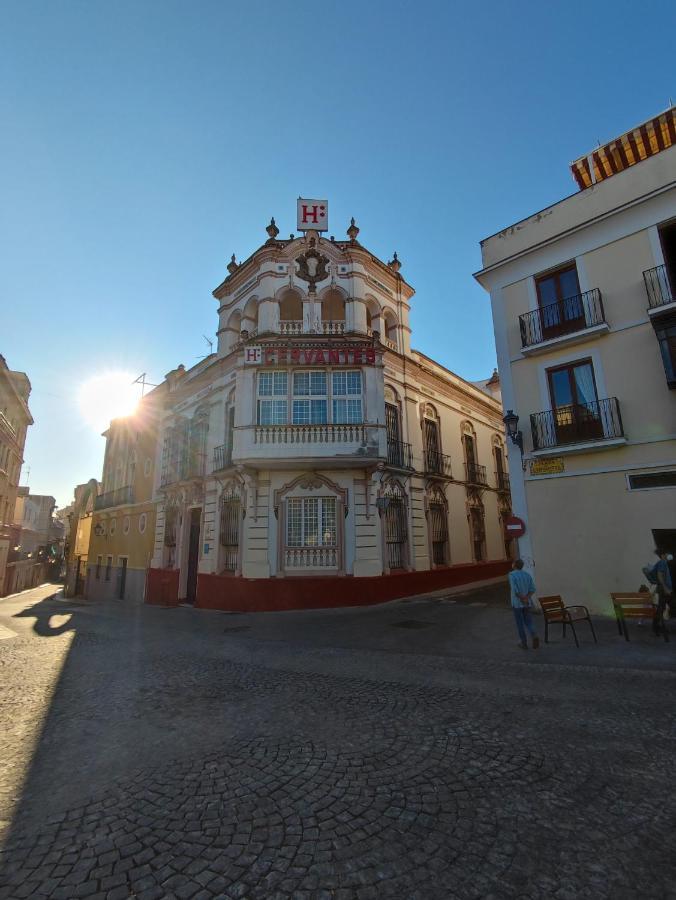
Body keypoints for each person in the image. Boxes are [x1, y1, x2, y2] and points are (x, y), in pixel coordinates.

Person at [508, 559, 539, 650]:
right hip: (527, 603)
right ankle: (534, 634)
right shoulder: (527, 575)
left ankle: (523, 642)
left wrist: (522, 598)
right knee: (529, 621)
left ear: (514, 565)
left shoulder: (512, 575)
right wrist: (526, 598)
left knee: (520, 623)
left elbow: (515, 590)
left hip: (517, 603)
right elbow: (532, 589)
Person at [651, 549, 673, 636]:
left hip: (663, 589)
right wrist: (665, 588)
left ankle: (656, 626)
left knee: (661, 607)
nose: (669, 555)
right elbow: (660, 576)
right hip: (663, 589)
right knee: (661, 608)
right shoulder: (662, 562)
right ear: (663, 555)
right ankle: (657, 627)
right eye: (668, 553)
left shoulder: (663, 563)